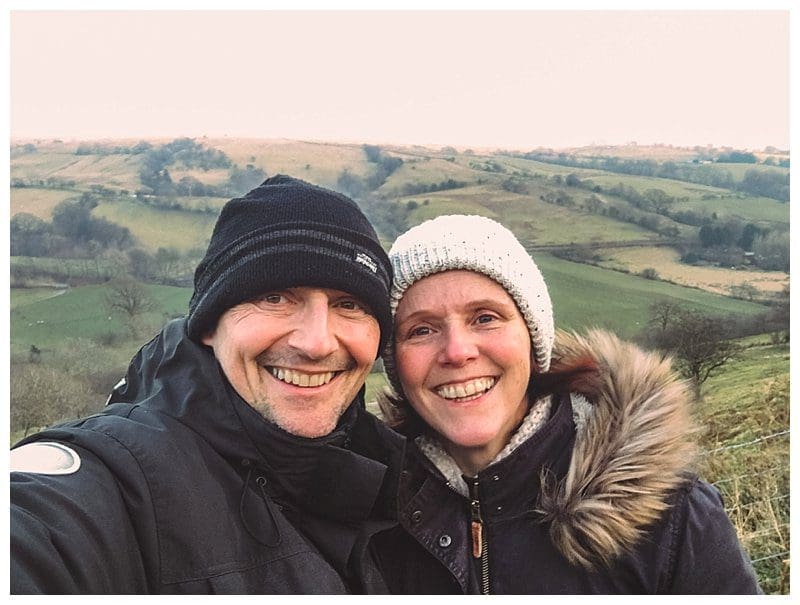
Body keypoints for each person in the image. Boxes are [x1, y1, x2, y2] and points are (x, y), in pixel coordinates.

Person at [10, 175, 405, 594]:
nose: (317, 343)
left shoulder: (394, 474)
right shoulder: (118, 481)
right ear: (209, 326)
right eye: (275, 298)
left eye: (349, 305)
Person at [371, 214, 761, 594]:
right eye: (421, 329)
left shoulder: (673, 519)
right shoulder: (367, 517)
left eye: (485, 318)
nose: (457, 351)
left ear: (532, 338)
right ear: (395, 362)